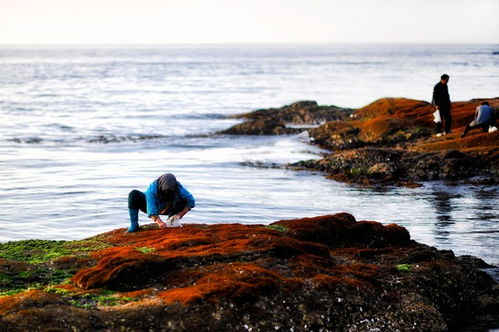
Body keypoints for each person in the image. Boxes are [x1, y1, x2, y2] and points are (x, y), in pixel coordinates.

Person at [127, 173, 195, 232]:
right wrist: (159, 222)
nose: (167, 193)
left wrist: (180, 214)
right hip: (149, 206)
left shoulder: (178, 187)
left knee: (183, 200)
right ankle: (134, 224)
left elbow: (191, 200)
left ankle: (171, 221)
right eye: (165, 191)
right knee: (134, 194)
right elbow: (151, 207)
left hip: (169, 207)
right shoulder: (152, 188)